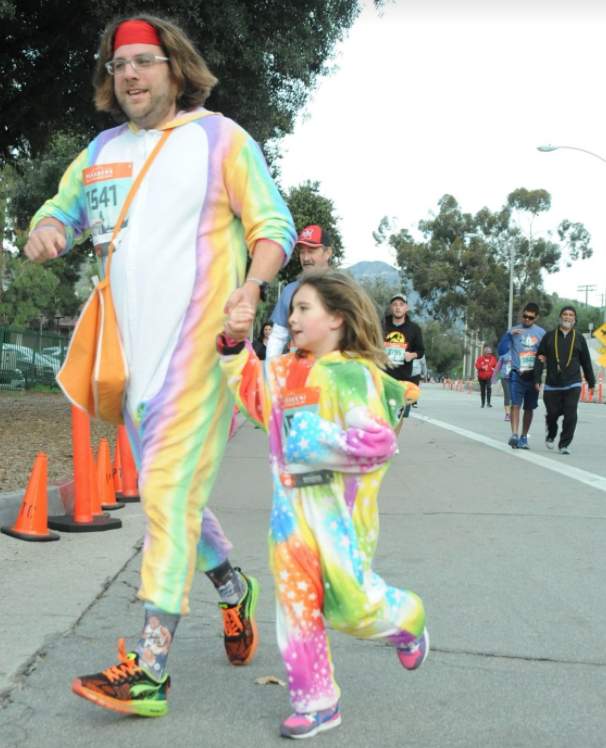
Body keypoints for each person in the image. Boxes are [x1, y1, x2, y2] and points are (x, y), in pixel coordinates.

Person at [24, 14, 297, 716]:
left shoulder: (219, 139)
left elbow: (273, 224)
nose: (131, 74)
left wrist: (251, 285)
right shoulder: (101, 150)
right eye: (120, 64)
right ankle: (233, 588)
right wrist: (48, 232)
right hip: (127, 364)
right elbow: (62, 210)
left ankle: (148, 670)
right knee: (169, 495)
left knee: (168, 496)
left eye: (145, 61)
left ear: (176, 68)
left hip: (201, 355)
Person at [217, 269, 427, 739]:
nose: (291, 318)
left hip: (340, 517)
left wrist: (318, 440)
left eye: (303, 308)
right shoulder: (287, 369)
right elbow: (253, 390)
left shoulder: (353, 374)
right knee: (296, 606)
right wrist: (233, 346)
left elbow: (378, 444)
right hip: (290, 516)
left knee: (348, 609)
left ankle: (407, 619)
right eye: (291, 308)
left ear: (337, 318)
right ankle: (316, 702)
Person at [534, 305, 595, 455]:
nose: (568, 317)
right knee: (552, 413)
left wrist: (591, 382)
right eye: (565, 314)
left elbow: (586, 362)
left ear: (574, 318)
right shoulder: (549, 337)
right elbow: (539, 358)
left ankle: (564, 444)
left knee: (571, 414)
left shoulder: (579, 338)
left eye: (571, 315)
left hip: (573, 383)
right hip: (552, 384)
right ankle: (551, 433)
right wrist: (537, 378)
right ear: (560, 317)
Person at [266, 225, 333, 358]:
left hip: (335, 371)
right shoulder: (289, 291)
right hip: (300, 370)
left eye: (312, 251)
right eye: (302, 252)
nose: (305, 258)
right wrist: (270, 369)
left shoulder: (343, 289)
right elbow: (278, 337)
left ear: (328, 252)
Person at [498, 303, 545, 449]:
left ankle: (524, 436)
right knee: (515, 404)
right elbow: (501, 351)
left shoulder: (542, 333)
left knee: (529, 408)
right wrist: (508, 336)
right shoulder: (513, 331)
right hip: (517, 374)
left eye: (530, 317)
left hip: (533, 376)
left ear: (536, 317)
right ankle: (514, 435)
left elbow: (547, 352)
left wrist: (545, 359)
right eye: (525, 316)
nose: (527, 319)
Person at [382, 293, 425, 425]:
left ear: (407, 308)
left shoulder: (414, 329)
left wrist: (411, 355)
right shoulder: (381, 325)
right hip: (382, 376)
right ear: (391, 307)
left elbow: (421, 351)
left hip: (403, 378)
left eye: (401, 305)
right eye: (395, 305)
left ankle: (393, 442)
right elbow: (370, 343)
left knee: (397, 415)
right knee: (382, 413)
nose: (398, 308)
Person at [492, 352, 512, 421]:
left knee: (514, 395)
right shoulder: (504, 354)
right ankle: (507, 414)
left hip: (515, 378)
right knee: (507, 395)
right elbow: (498, 366)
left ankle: (514, 412)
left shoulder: (519, 351)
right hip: (505, 378)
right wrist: (493, 376)